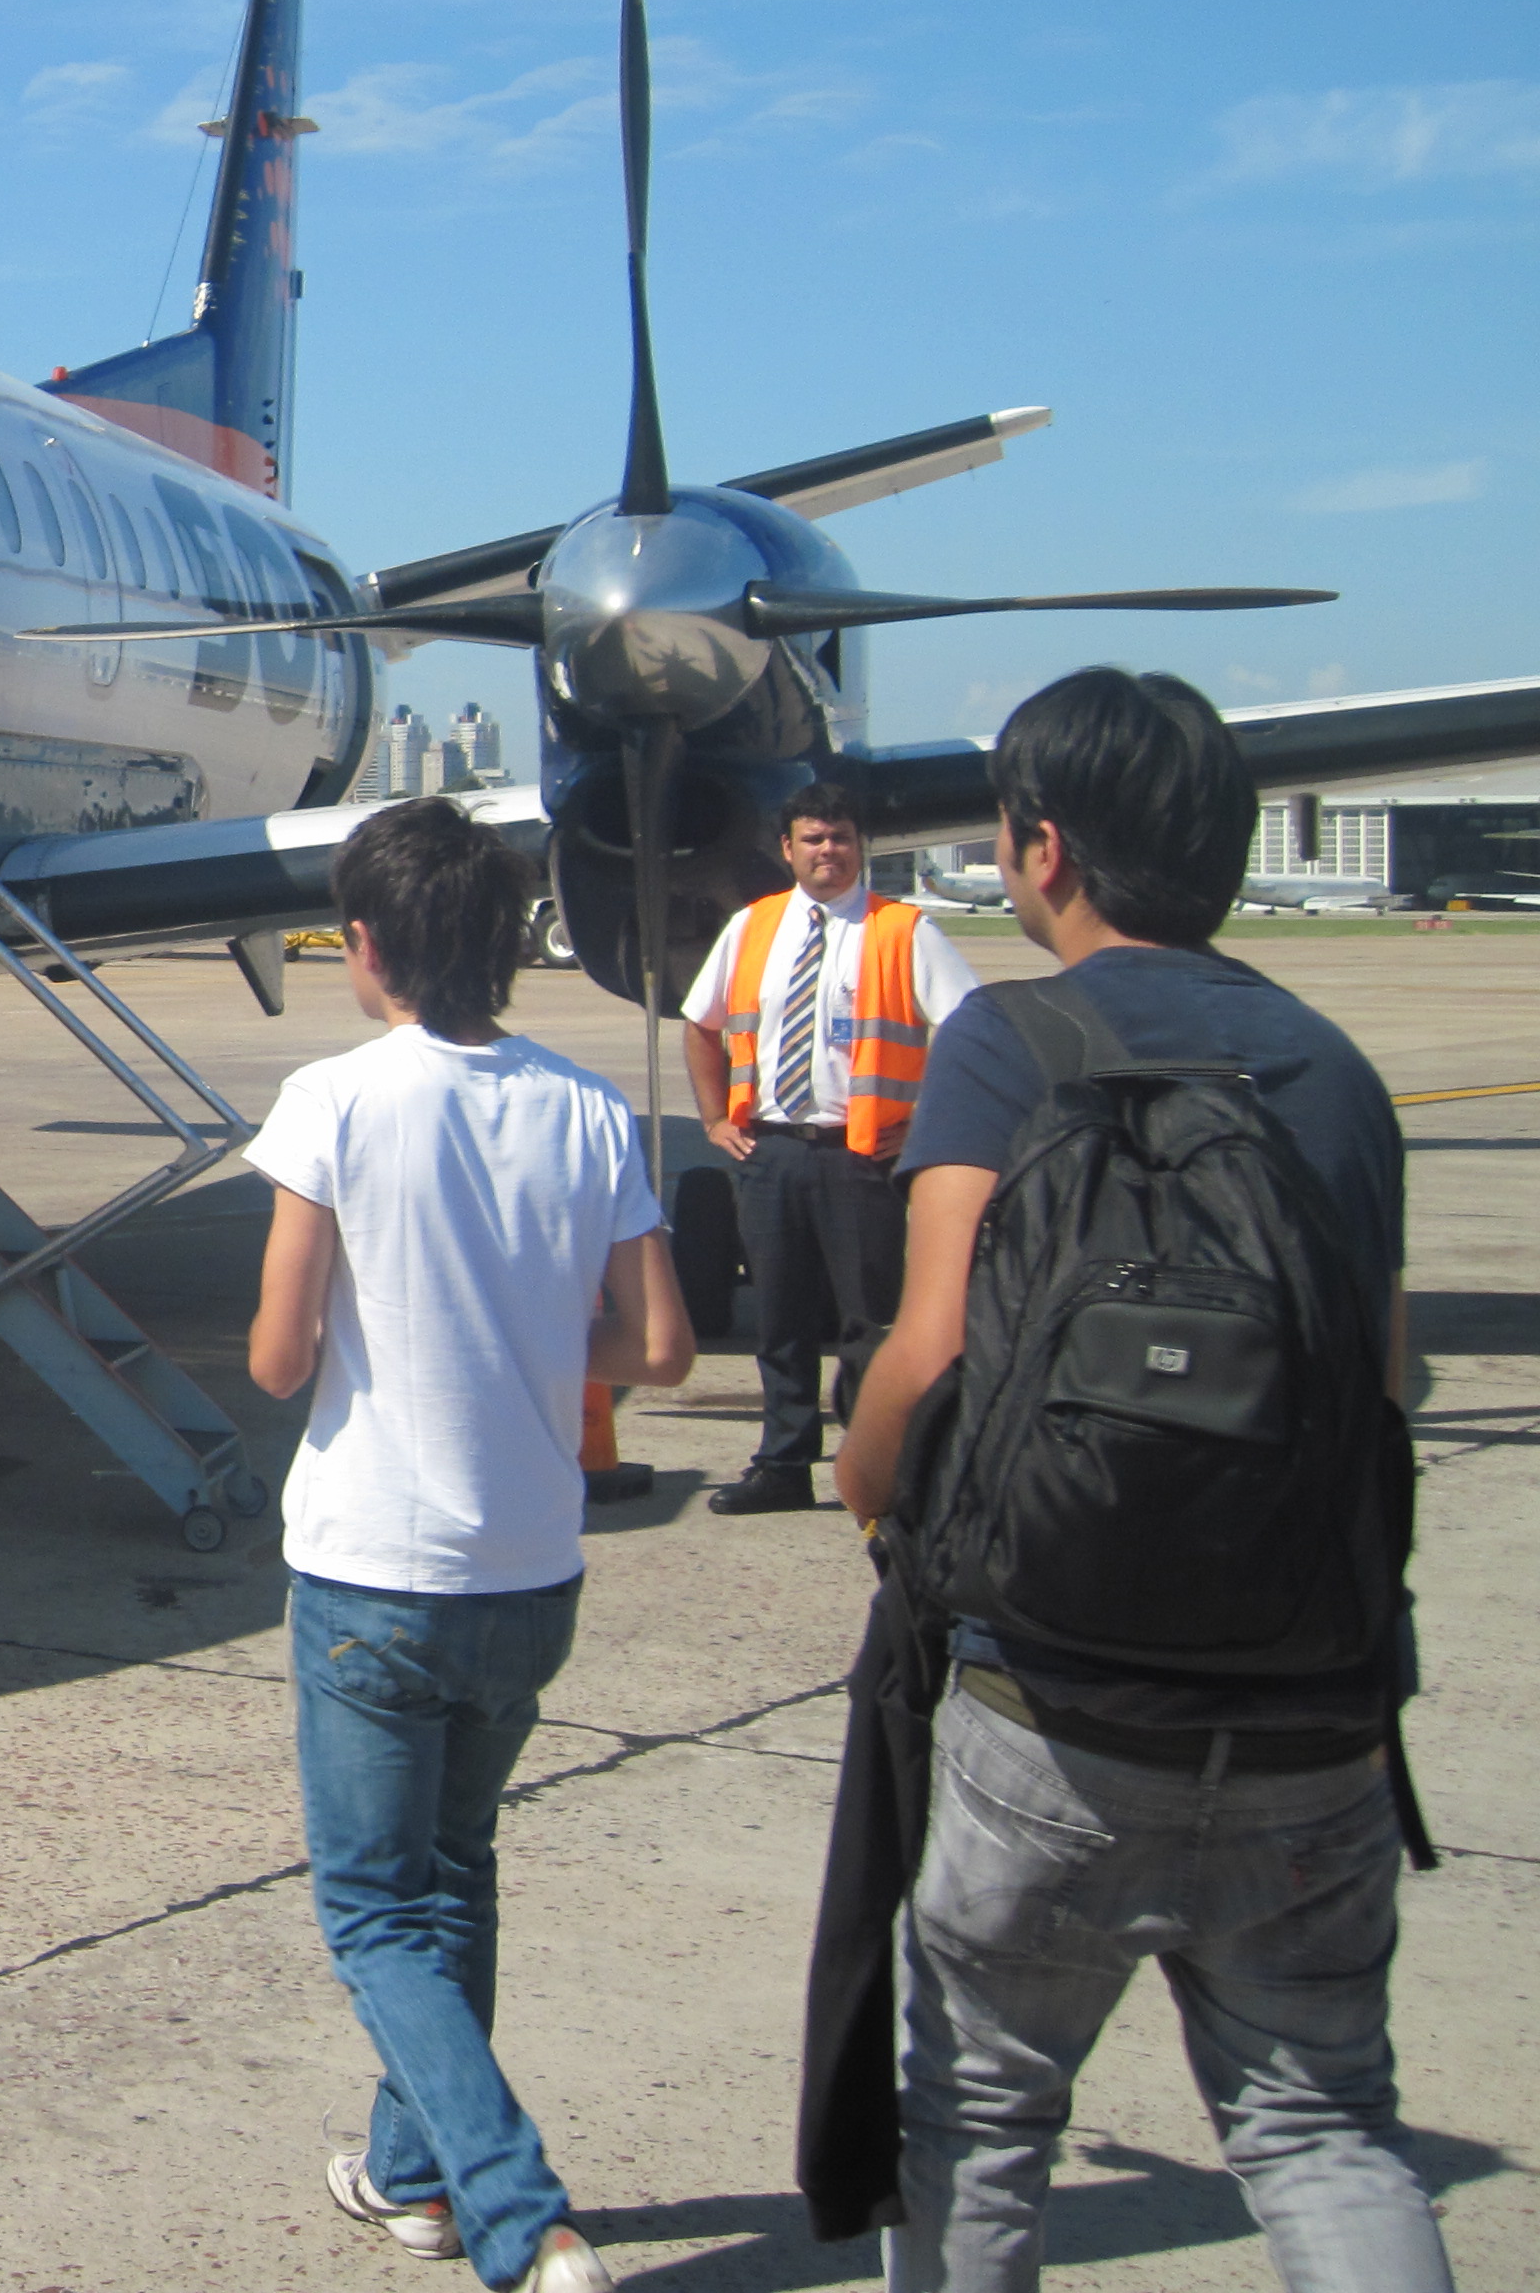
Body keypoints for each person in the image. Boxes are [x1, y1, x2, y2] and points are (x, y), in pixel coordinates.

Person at [836, 669, 1447, 2290]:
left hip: (1058, 1715)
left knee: (979, 2114)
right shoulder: (1332, 1074)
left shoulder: (1008, 1043)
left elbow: (933, 1348)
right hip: (1312, 1722)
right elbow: (1391, 1386)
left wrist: (865, 1480)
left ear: (1044, 852)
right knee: (1322, 2127)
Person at [249, 798, 695, 2293]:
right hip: (529, 1568)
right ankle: (410, 2177)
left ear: (367, 947)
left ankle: (521, 2215)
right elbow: (661, 1348)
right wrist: (529, 1345)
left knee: (375, 1911)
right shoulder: (585, 1109)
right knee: (458, 1877)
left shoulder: (335, 1101)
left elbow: (278, 1352)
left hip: (373, 1567)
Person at [679, 774, 981, 1515]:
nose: (827, 851)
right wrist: (716, 1118)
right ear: (787, 849)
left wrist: (929, 1122)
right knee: (779, 1320)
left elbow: (973, 1030)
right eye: (813, 838)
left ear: (860, 848)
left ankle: (879, 1461)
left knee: (868, 1322)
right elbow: (701, 1023)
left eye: (840, 838)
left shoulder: (903, 930)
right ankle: (782, 1465)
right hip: (771, 1151)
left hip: (860, 1155)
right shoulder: (752, 928)